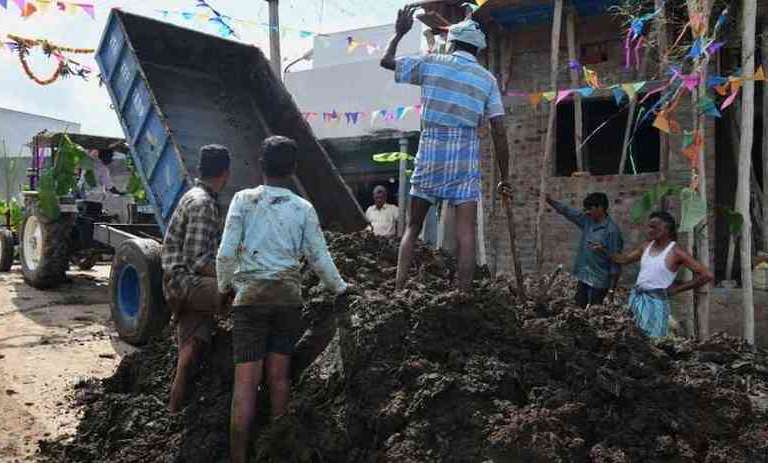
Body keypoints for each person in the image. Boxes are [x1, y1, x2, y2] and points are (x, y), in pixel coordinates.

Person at [216, 136, 351, 463]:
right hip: (288, 300)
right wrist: (342, 289)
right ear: (293, 170)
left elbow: (225, 254)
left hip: (250, 301)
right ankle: (276, 453)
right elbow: (319, 258)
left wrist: (225, 289)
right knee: (279, 378)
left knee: (245, 384)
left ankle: (238, 457)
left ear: (260, 165)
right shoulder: (302, 208)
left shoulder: (243, 201)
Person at [381, 8, 507, 296]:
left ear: (451, 43)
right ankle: (463, 295)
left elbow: (386, 62)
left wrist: (400, 33)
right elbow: (499, 131)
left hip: (430, 152)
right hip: (465, 158)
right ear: (477, 49)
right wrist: (505, 176)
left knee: (412, 227)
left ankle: (399, 289)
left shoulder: (431, 62)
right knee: (466, 234)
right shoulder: (487, 80)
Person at [161, 144, 234, 413]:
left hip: (181, 283)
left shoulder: (196, 196)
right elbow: (198, 261)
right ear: (225, 174)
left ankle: (174, 410)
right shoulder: (203, 204)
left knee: (189, 352)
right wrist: (234, 276)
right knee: (244, 293)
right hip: (184, 283)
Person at [593, 211, 713, 338]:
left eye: (653, 227)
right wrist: (604, 250)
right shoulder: (646, 246)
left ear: (666, 228)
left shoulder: (676, 252)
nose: (649, 230)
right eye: (649, 226)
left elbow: (706, 275)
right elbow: (624, 259)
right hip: (637, 298)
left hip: (656, 301)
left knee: (654, 339)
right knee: (635, 338)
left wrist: (676, 289)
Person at [536, 189, 623, 308]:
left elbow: (616, 264)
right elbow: (567, 211)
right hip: (584, 276)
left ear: (600, 208)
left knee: (594, 313)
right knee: (578, 308)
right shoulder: (587, 220)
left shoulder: (612, 231)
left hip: (600, 282)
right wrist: (549, 200)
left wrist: (611, 291)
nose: (586, 212)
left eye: (589, 209)